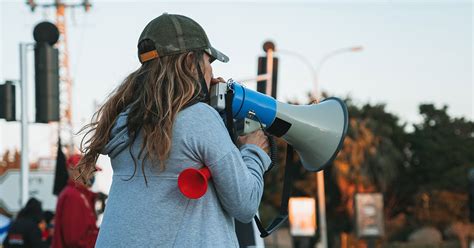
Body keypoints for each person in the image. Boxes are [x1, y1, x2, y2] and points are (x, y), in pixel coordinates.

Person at [77, 13, 270, 247]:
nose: (211, 72)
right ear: (191, 61)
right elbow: (245, 204)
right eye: (208, 62)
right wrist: (254, 152)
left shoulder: (124, 120)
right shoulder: (199, 119)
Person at [51, 154, 99, 248]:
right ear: (78, 171)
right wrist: (102, 236)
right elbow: (75, 240)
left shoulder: (77, 195)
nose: (92, 175)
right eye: (90, 171)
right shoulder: (73, 196)